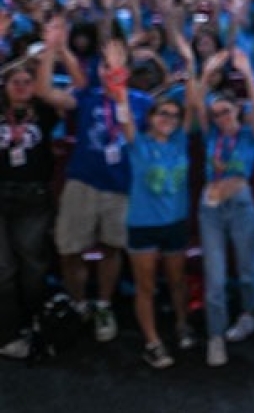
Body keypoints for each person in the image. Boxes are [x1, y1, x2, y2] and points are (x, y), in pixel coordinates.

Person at [35, 19, 146, 343]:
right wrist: (52, 50)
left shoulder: (140, 102)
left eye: (115, 65)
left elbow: (132, 137)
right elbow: (43, 91)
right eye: (103, 66)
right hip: (82, 182)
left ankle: (103, 304)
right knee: (69, 250)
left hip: (119, 185)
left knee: (112, 249)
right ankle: (79, 303)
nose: (107, 70)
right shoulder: (87, 96)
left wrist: (120, 87)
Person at [193, 49, 254, 367]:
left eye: (226, 112)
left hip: (241, 204)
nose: (221, 118)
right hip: (211, 207)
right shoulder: (210, 135)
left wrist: (247, 73)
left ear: (237, 110)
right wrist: (207, 72)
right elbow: (196, 103)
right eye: (217, 114)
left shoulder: (250, 135)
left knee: (248, 270)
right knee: (215, 276)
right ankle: (216, 335)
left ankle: (249, 314)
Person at [117, 84, 195, 369]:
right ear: (151, 116)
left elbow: (195, 102)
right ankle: (152, 342)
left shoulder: (180, 141)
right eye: (163, 114)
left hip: (175, 223)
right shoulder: (138, 143)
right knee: (146, 287)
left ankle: (182, 324)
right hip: (143, 224)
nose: (169, 120)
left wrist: (195, 68)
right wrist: (118, 80)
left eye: (174, 116)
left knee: (177, 281)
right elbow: (123, 117)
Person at [0, 61, 61, 360]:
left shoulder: (44, 112)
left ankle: (34, 325)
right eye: (15, 82)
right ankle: (8, 333)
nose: (22, 86)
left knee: (33, 266)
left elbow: (55, 93)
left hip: (33, 197)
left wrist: (52, 52)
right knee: (3, 269)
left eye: (27, 81)